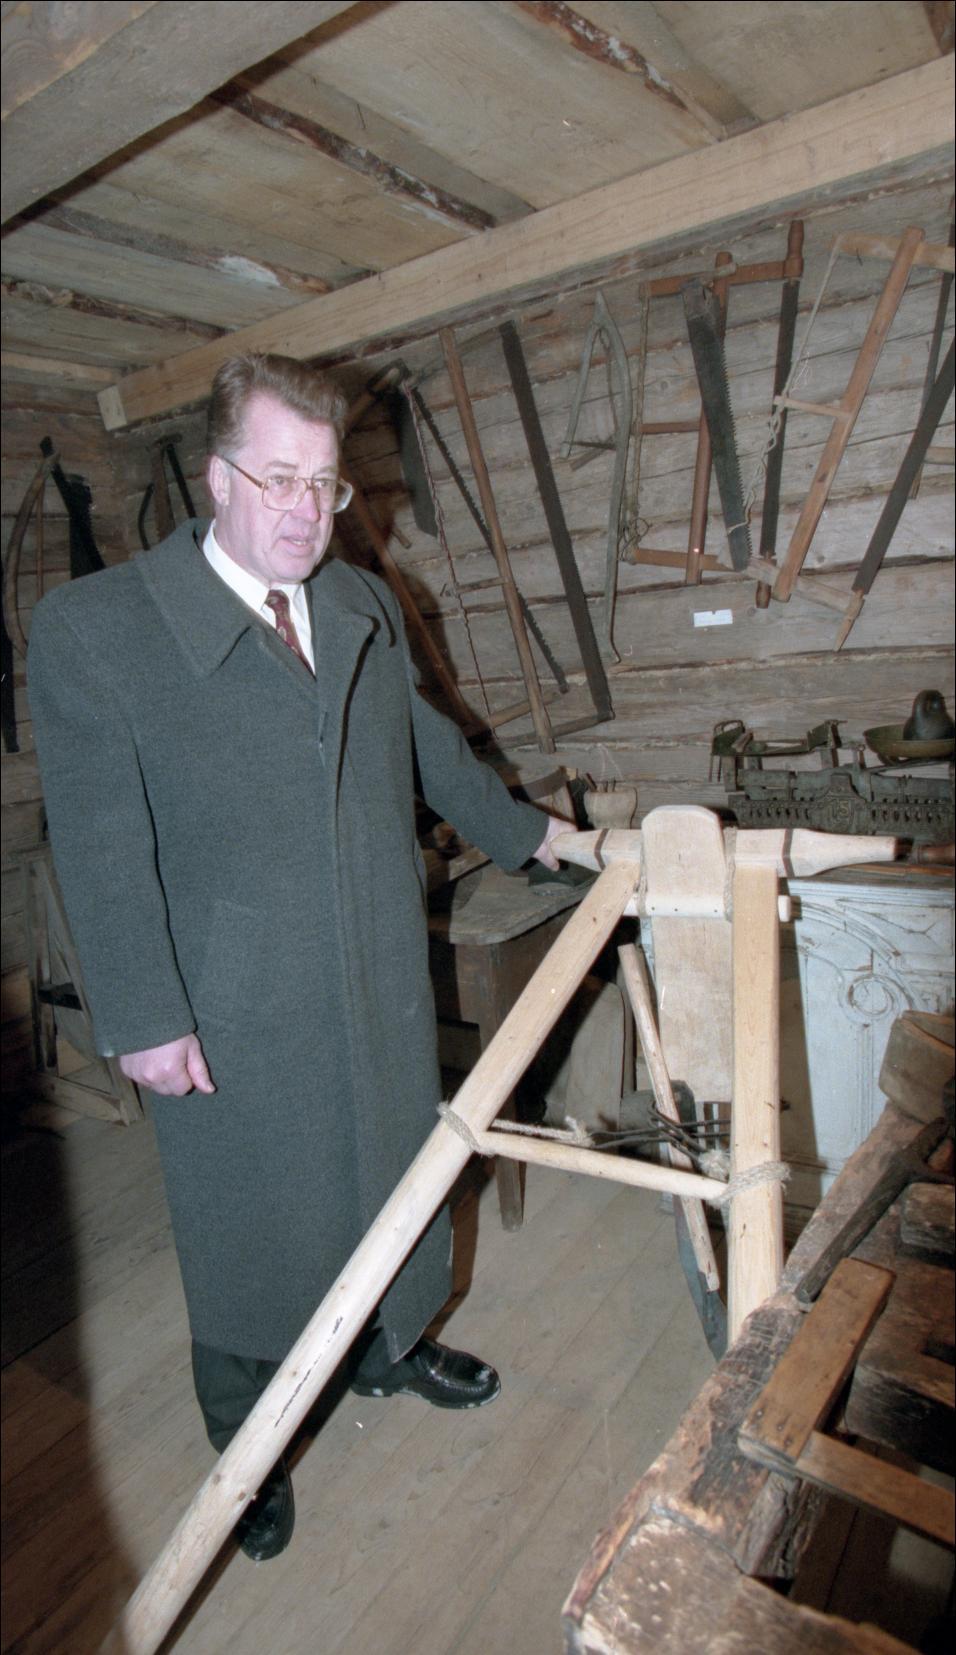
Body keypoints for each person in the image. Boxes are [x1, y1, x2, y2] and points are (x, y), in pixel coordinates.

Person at [28, 353, 563, 1561]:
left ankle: (388, 1344)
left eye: (325, 484)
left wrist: (534, 836)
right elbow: (98, 841)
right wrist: (143, 1013)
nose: (305, 510)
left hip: (372, 953)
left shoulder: (360, 601)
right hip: (224, 991)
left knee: (388, 1160)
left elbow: (430, 746)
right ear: (217, 478)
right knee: (251, 1211)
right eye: (279, 479)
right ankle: (250, 1438)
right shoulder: (100, 628)